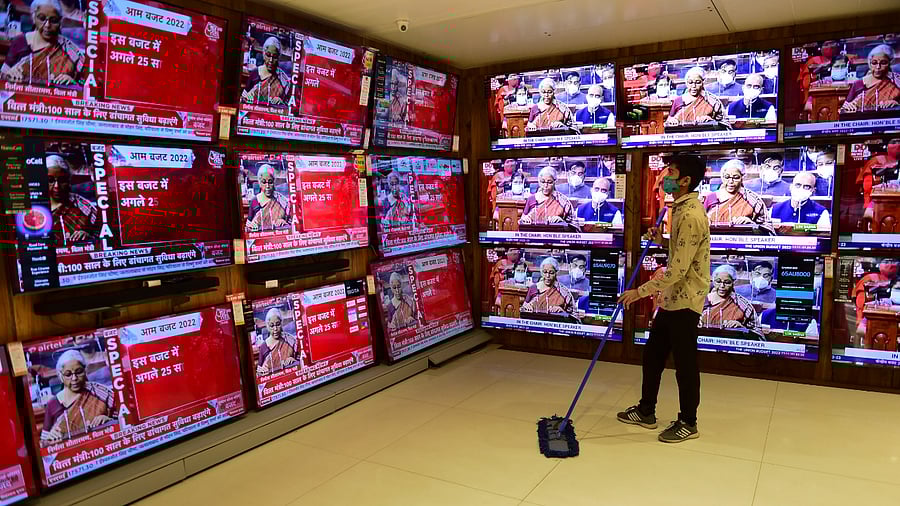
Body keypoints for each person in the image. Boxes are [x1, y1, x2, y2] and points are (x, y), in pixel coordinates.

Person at [616, 154, 710, 443]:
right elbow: (682, 250)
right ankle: (646, 410)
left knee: (685, 364)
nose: (665, 177)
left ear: (686, 181)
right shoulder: (679, 207)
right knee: (653, 355)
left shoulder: (691, 215)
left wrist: (639, 291)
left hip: (686, 299)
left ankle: (688, 422)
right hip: (671, 299)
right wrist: (661, 241)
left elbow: (679, 270)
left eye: (671, 172)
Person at [0, 0, 83, 87]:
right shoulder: (20, 41)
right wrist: (9, 74)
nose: (47, 25)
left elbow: (87, 81)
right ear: (34, 18)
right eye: (42, 18)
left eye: (53, 20)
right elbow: (2, 76)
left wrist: (73, 82)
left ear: (60, 21)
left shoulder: (68, 48)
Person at [40, 350, 114, 445]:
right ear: (60, 376)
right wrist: (50, 437)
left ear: (85, 371)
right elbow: (43, 443)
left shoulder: (99, 392)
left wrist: (108, 420)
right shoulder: (52, 404)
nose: (74, 378)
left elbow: (123, 416)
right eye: (68, 374)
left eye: (79, 372)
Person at [46, 154, 99, 245]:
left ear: (69, 181)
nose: (56, 186)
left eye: (62, 180)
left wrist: (88, 237)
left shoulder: (84, 207)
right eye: (50, 180)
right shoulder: (36, 206)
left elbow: (101, 235)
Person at [703, 159, 769, 226]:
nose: (731, 181)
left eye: (736, 177)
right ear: (722, 177)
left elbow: (767, 226)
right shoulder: (711, 198)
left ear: (742, 178)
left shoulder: (752, 199)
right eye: (727, 177)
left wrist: (751, 224)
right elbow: (699, 221)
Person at [841, 44, 900, 114]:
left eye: (883, 63)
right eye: (874, 63)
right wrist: (848, 106)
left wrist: (896, 104)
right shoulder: (858, 84)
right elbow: (845, 107)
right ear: (870, 64)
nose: (878, 67)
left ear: (890, 63)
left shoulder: (896, 81)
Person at [852, 258, 900, 341]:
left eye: (894, 261)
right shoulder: (871, 278)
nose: (891, 265)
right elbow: (861, 305)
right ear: (879, 264)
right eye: (887, 262)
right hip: (872, 328)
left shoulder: (897, 280)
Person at [701, 264, 759, 331]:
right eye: (718, 281)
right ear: (713, 282)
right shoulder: (702, 301)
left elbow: (757, 330)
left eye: (727, 282)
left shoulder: (743, 305)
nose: (722, 286)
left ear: (734, 282)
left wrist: (741, 327)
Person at [241, 36, 291, 107]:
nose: (271, 60)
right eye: (268, 55)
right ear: (264, 54)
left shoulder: (283, 79)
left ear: (278, 57)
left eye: (274, 56)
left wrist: (281, 102)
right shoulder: (255, 73)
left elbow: (289, 104)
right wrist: (248, 97)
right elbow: (242, 99)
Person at [857, 138, 900, 218]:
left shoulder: (878, 160)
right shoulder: (877, 160)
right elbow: (867, 187)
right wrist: (868, 205)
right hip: (879, 204)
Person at [246, 164, 292, 232]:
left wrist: (284, 222)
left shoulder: (281, 200)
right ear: (259, 183)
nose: (267, 186)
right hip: (261, 236)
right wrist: (252, 225)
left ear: (274, 182)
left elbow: (292, 223)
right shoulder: (255, 201)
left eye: (270, 182)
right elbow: (248, 225)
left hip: (279, 235)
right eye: (264, 182)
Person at [256, 308, 299, 376]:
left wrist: (293, 359)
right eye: (272, 326)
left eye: (278, 324)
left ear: (281, 324)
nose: (275, 329)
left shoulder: (289, 340)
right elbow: (258, 371)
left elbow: (301, 358)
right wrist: (263, 371)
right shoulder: (264, 347)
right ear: (267, 326)